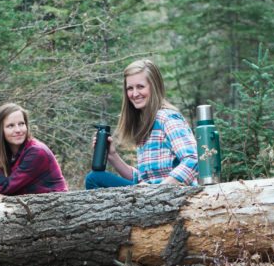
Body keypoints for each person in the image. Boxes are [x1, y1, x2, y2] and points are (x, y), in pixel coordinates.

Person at [84, 59, 198, 189]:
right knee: (96, 177)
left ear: (154, 87)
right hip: (149, 196)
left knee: (94, 179)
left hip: (173, 195)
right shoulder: (145, 122)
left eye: (140, 87)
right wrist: (112, 156)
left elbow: (193, 159)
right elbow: (143, 180)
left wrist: (159, 190)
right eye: (130, 88)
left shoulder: (167, 118)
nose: (134, 94)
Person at [0, 103, 68, 205]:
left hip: (52, 207)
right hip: (29, 204)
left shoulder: (36, 152)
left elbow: (4, 188)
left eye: (21, 124)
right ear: (1, 130)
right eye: (11, 126)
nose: (18, 130)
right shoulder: (9, 153)